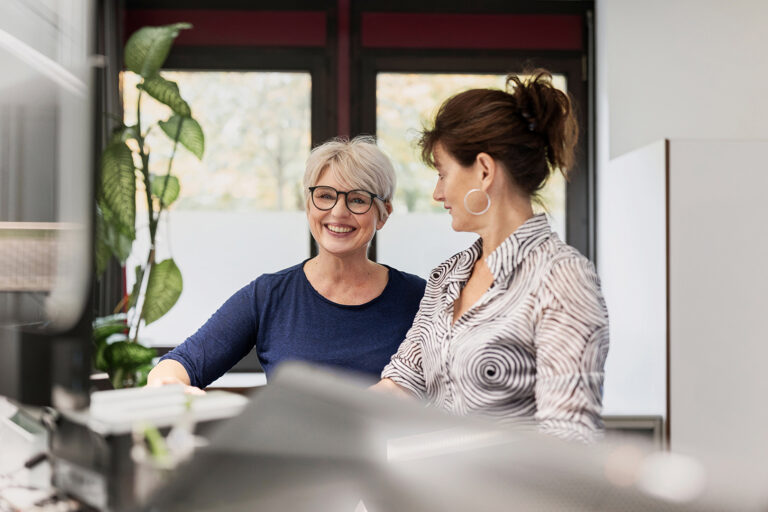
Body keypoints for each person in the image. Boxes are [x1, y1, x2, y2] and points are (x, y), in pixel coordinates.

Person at [372, 70, 609, 443]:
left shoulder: (562, 277)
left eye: (442, 174)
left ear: (483, 171)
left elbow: (570, 438)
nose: (437, 193)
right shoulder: (448, 276)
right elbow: (403, 380)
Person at [148, 136, 426, 392]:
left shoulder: (421, 299)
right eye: (326, 195)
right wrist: (168, 385)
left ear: (384, 213)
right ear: (308, 205)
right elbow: (184, 362)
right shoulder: (269, 295)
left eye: (357, 199)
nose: (339, 213)